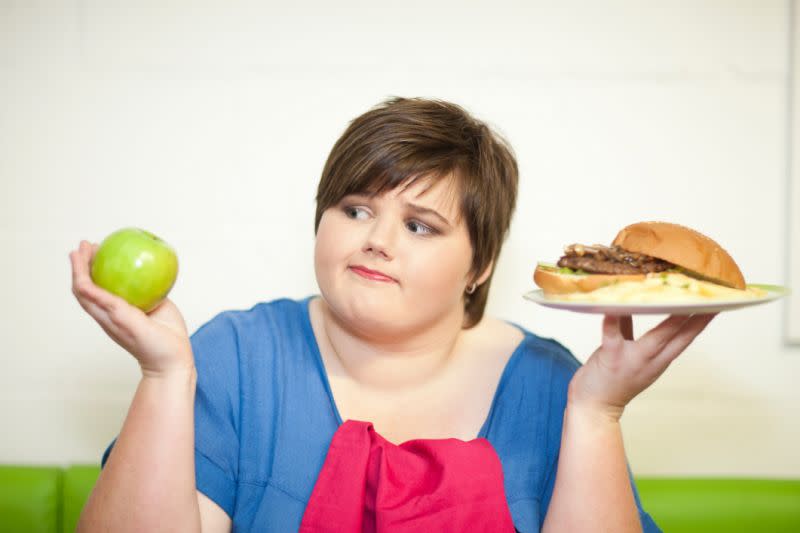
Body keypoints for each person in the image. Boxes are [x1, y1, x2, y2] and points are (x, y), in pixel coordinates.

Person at [69, 97, 715, 532]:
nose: (378, 238)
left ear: (480, 265)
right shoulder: (235, 357)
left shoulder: (551, 384)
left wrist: (597, 413)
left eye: (420, 225)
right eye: (354, 209)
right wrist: (162, 376)